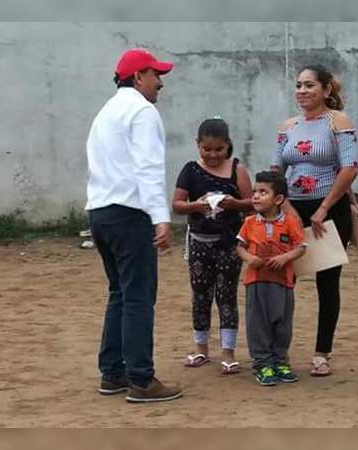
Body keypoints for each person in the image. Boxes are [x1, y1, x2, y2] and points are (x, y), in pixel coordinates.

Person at [86, 48, 182, 403]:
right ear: (139, 76)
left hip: (101, 211)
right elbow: (148, 167)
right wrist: (160, 218)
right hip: (129, 213)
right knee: (139, 296)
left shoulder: (107, 111)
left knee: (120, 293)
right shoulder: (142, 111)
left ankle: (113, 372)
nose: (160, 83)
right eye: (156, 75)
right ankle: (141, 378)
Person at [270, 64, 358, 377]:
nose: (302, 91)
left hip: (329, 211)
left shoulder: (338, 122)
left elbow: (349, 168)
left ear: (326, 90)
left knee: (327, 281)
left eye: (310, 85)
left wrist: (324, 207)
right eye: (299, 85)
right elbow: (275, 171)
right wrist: (287, 206)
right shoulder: (289, 125)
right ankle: (277, 350)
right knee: (282, 278)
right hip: (291, 208)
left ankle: (322, 352)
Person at [172, 117, 252, 375]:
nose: (213, 155)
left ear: (228, 145)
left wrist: (234, 204)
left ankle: (228, 352)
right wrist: (198, 205)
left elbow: (252, 202)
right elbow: (177, 204)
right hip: (199, 243)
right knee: (200, 295)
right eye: (207, 150)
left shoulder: (237, 170)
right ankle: (201, 348)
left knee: (227, 295)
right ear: (198, 145)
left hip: (228, 243)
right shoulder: (190, 170)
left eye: (219, 149)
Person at [236, 171, 306, 386]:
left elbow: (301, 247)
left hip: (283, 282)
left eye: (263, 192)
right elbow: (239, 247)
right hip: (256, 282)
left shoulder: (290, 222)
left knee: (282, 323)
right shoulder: (249, 223)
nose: (256, 196)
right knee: (258, 323)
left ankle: (280, 361)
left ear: (278, 199)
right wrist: (250, 258)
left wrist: (285, 257)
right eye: (255, 192)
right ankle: (263, 364)